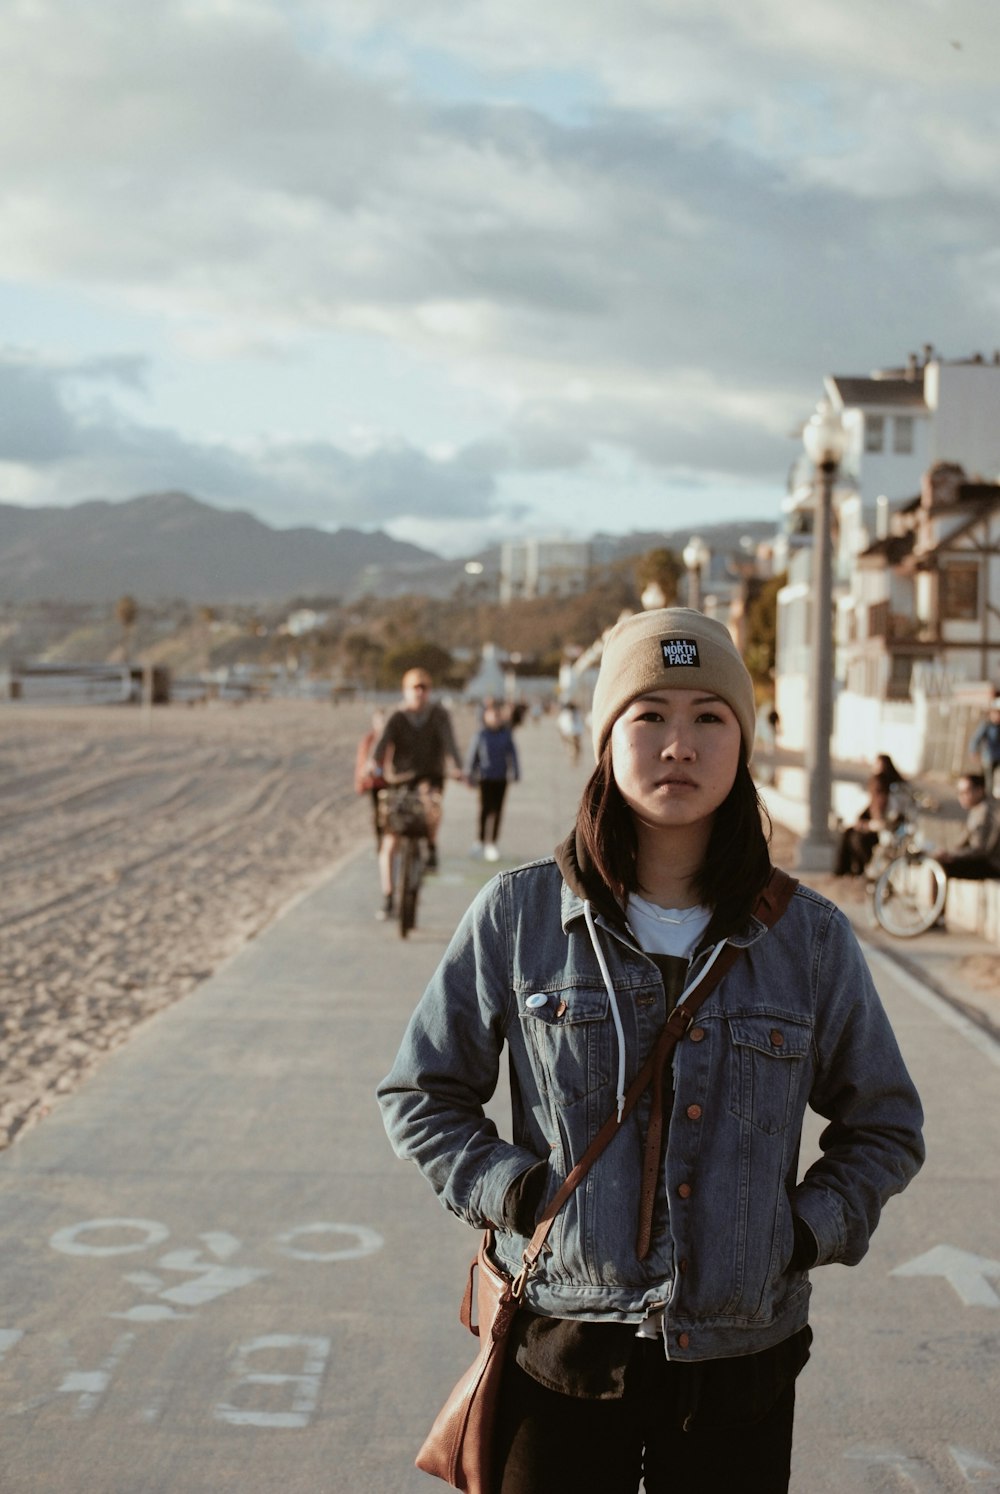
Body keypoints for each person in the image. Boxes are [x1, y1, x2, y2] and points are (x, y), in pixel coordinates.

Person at [378, 608, 924, 1494]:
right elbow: (421, 1094)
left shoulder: (808, 940)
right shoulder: (519, 918)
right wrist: (511, 1191)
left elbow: (886, 1124)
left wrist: (800, 1234)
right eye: (650, 715)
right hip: (559, 1346)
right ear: (607, 740)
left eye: (710, 717)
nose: (680, 744)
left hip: (740, 1362)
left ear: (741, 742)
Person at [370, 668, 464, 919]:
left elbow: (450, 742)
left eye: (424, 688)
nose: (420, 692)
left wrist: (457, 767)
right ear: (406, 690)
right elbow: (380, 746)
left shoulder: (439, 715)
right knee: (390, 842)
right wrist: (373, 764)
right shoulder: (397, 716)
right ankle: (388, 897)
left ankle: (432, 846)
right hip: (400, 781)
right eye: (415, 688)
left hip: (430, 776)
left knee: (430, 802)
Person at [834, 752, 907, 877]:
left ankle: (863, 870)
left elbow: (885, 822)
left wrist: (866, 825)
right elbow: (869, 812)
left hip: (885, 834)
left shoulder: (892, 797)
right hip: (875, 827)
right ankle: (845, 871)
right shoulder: (877, 797)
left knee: (857, 838)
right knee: (848, 833)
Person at [466, 703, 520, 862]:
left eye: (498, 715)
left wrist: (515, 771)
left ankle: (492, 843)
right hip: (484, 777)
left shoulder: (506, 734)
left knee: (497, 810)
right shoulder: (480, 735)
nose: (495, 719)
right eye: (492, 715)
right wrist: (469, 773)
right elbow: (472, 755)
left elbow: (513, 754)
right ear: (486, 716)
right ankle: (480, 841)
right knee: (484, 809)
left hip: (501, 777)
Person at [934, 773, 1000, 880]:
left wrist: (952, 855)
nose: (961, 796)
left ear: (979, 791)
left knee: (937, 867)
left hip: (992, 863)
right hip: (986, 860)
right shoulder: (979, 810)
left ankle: (933, 897)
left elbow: (980, 850)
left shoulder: (984, 812)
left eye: (965, 792)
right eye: (959, 792)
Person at [353, 708, 387, 851]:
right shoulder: (368, 740)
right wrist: (360, 782)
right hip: (373, 784)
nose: (381, 724)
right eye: (379, 721)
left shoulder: (392, 739)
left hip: (389, 782)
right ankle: (380, 842)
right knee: (377, 814)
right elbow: (361, 764)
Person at [969, 701, 1000, 796]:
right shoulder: (987, 725)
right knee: (988, 780)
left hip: (998, 756)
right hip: (989, 757)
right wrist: (973, 751)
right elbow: (975, 739)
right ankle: (988, 799)